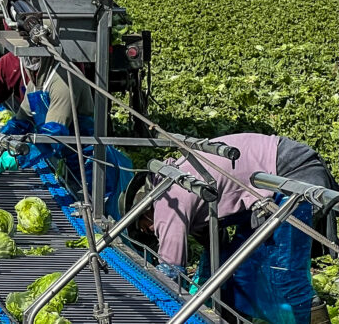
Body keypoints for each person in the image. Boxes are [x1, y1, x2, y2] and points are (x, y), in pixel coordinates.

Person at [121, 133, 337, 324]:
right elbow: (218, 249)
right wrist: (203, 289)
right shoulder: (180, 183)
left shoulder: (168, 202)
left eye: (144, 227)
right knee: (239, 271)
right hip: (267, 183)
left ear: (145, 209)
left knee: (282, 273)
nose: (151, 231)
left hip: (291, 173)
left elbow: (170, 272)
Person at [0, 52, 133, 218]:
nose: (29, 59)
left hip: (95, 169)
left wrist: (11, 159)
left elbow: (53, 137)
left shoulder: (64, 78)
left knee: (106, 221)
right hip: (71, 166)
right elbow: (22, 124)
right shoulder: (37, 82)